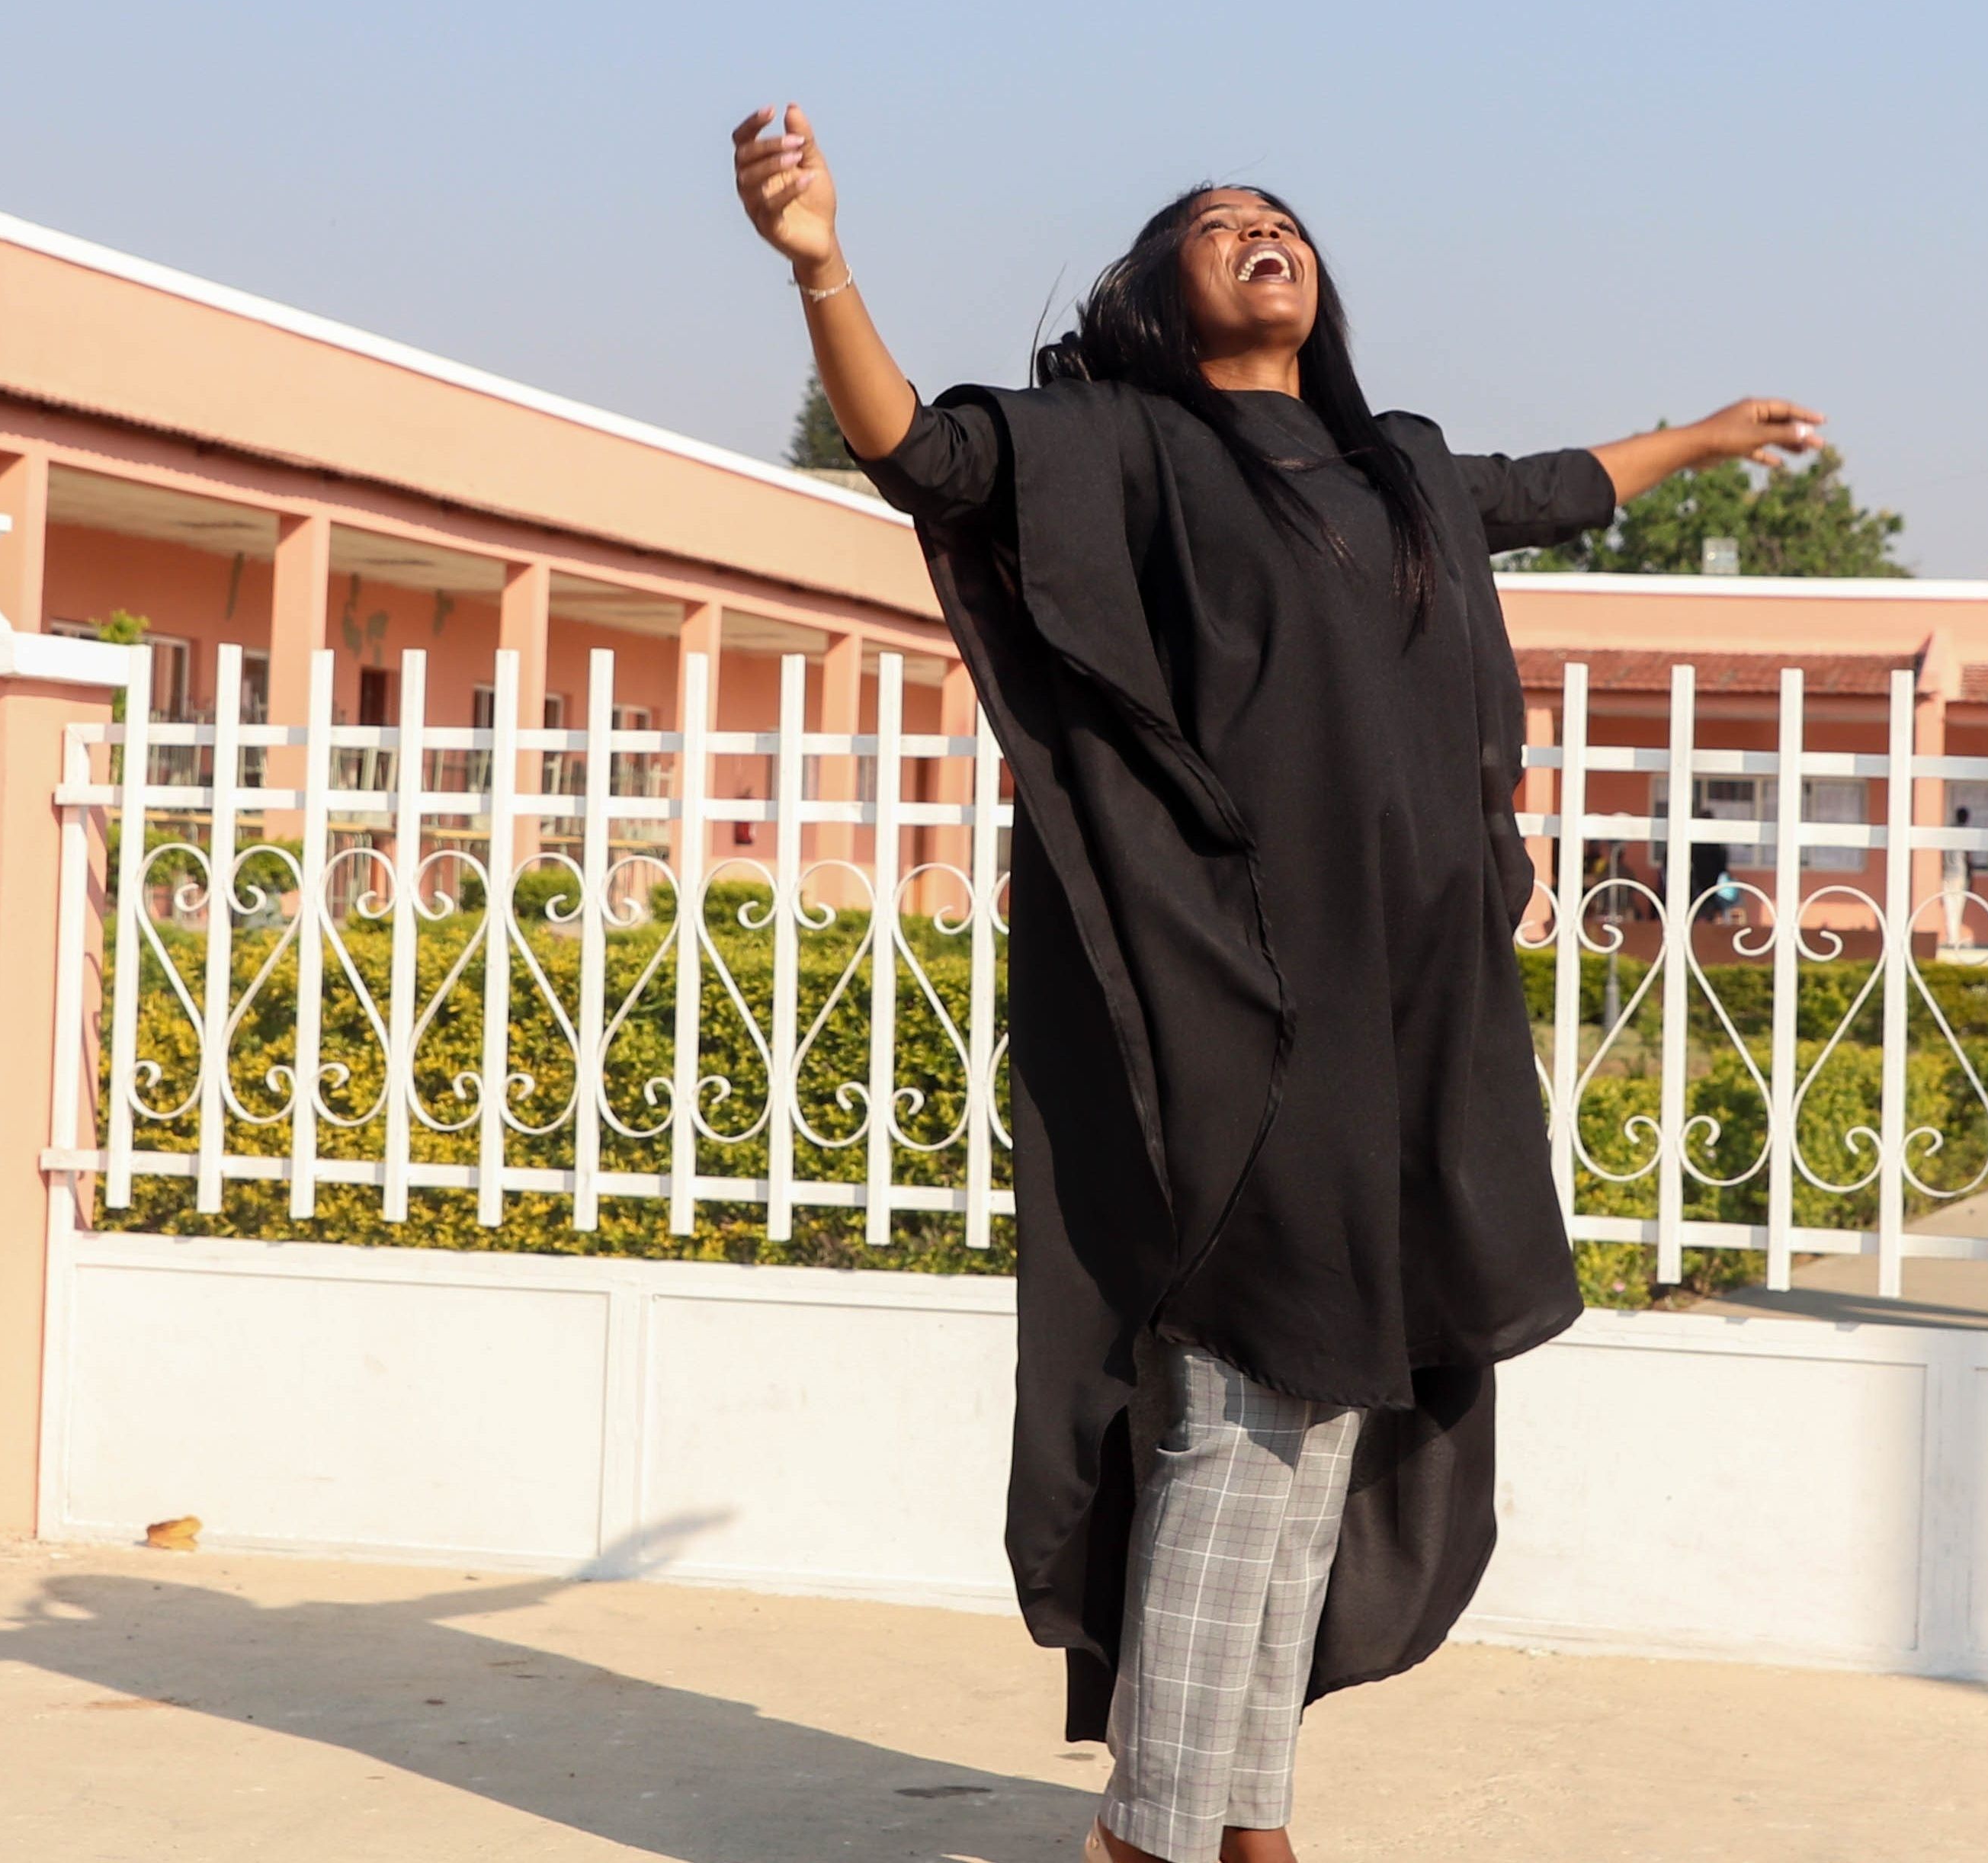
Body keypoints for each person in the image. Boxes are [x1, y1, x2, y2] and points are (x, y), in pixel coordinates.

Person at [728, 104, 1823, 1863]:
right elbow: (922, 454)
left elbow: (1548, 491)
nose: (1264, 227)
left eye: (1282, 214)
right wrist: (822, 266)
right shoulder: (1126, 447)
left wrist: (1699, 435)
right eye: (1217, 219)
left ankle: (1247, 1807)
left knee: (1320, 1404)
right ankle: (1156, 1825)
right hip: (1234, 987)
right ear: (1158, 296)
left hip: (1404, 1005)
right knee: (1244, 1393)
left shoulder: (1395, 471)